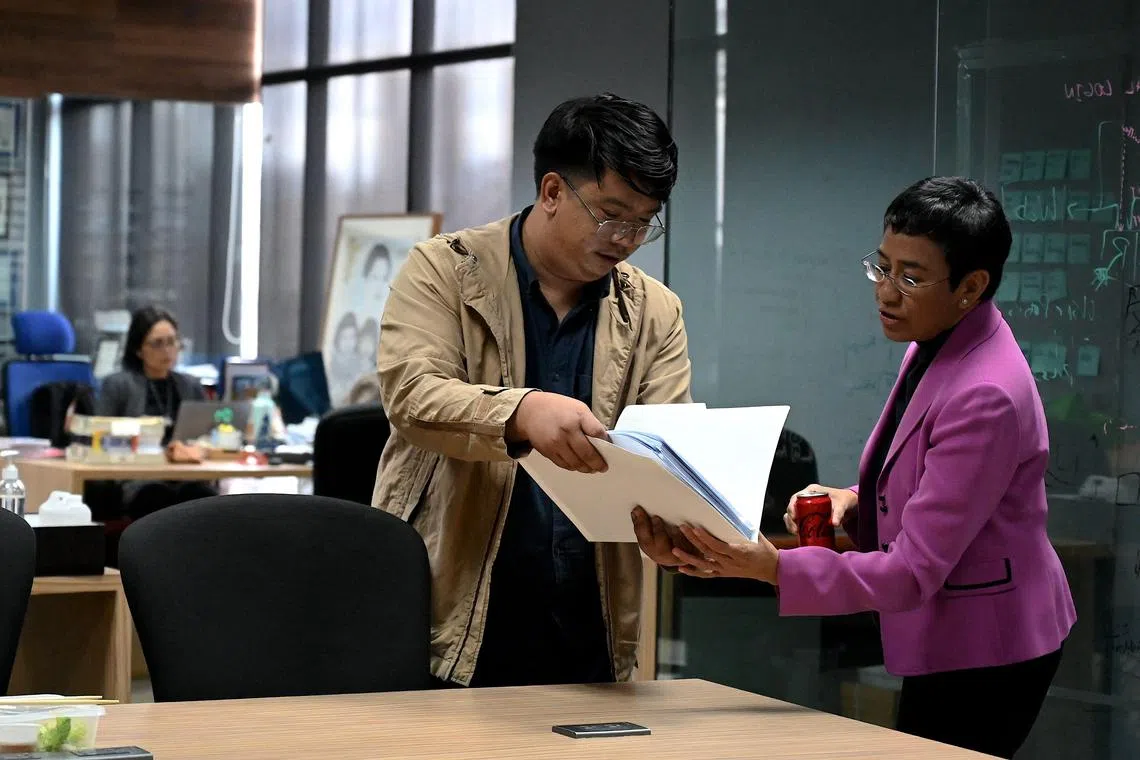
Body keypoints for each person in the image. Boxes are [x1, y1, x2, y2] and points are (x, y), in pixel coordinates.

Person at [634, 176, 1076, 759]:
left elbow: (912, 572)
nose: (886, 293)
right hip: (953, 627)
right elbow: (933, 477)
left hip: (988, 645)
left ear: (971, 286)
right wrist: (852, 499)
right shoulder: (940, 336)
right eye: (882, 267)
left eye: (910, 278)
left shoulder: (985, 394)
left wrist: (774, 567)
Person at [373, 93, 692, 688]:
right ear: (551, 192)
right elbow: (412, 395)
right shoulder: (445, 270)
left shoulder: (654, 309)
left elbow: (669, 443)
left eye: (643, 222)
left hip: (591, 609)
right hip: (458, 604)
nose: (626, 238)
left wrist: (682, 513)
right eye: (611, 215)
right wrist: (521, 412)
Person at [95, 306, 216, 522]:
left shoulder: (190, 386)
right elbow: (100, 439)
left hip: (184, 474)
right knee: (155, 496)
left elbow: (206, 434)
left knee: (203, 497)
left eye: (172, 342)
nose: (167, 350)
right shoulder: (118, 385)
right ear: (139, 350)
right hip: (136, 476)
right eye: (157, 343)